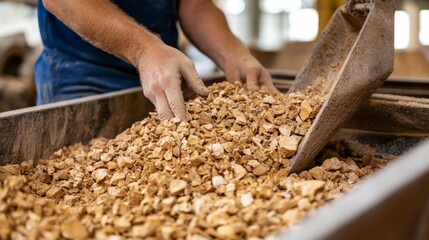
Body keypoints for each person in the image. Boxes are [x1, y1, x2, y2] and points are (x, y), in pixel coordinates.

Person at [36, 0, 280, 121]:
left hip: (165, 74)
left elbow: (194, 5)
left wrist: (233, 54)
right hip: (82, 78)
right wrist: (144, 50)